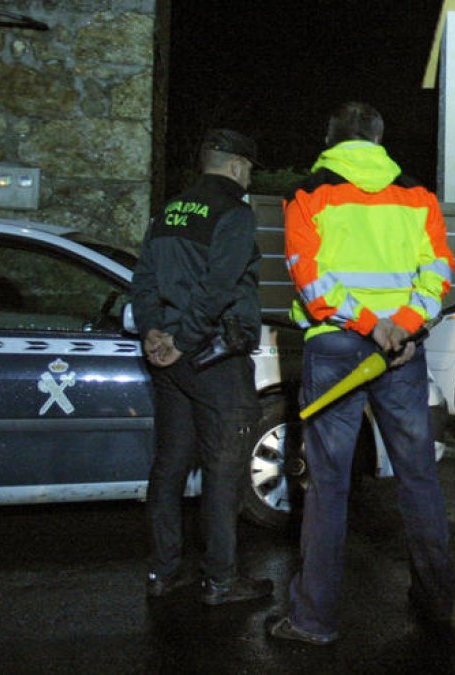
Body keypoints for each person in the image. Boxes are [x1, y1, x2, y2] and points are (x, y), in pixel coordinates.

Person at [267, 102, 455, 646]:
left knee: (327, 485)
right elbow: (439, 269)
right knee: (418, 476)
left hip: (337, 350)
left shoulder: (309, 193)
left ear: (330, 138)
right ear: (379, 139)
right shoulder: (417, 193)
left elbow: (311, 280)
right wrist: (400, 324)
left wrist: (372, 325)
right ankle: (436, 604)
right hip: (402, 351)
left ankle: (313, 620)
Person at [130, 128, 273, 605]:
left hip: (169, 362)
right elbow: (219, 288)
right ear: (235, 165)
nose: (249, 176)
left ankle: (163, 572)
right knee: (223, 469)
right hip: (214, 358)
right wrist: (184, 340)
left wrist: (155, 332)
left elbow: (143, 281)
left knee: (169, 465)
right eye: (249, 168)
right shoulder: (234, 212)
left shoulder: (167, 211)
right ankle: (221, 580)